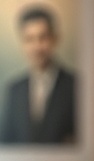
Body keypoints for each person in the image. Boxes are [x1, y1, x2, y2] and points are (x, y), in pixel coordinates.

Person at [0, 4, 76, 145]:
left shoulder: (75, 86)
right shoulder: (14, 90)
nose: (37, 46)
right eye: (29, 39)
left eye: (43, 37)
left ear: (55, 39)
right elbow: (6, 143)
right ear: (22, 43)